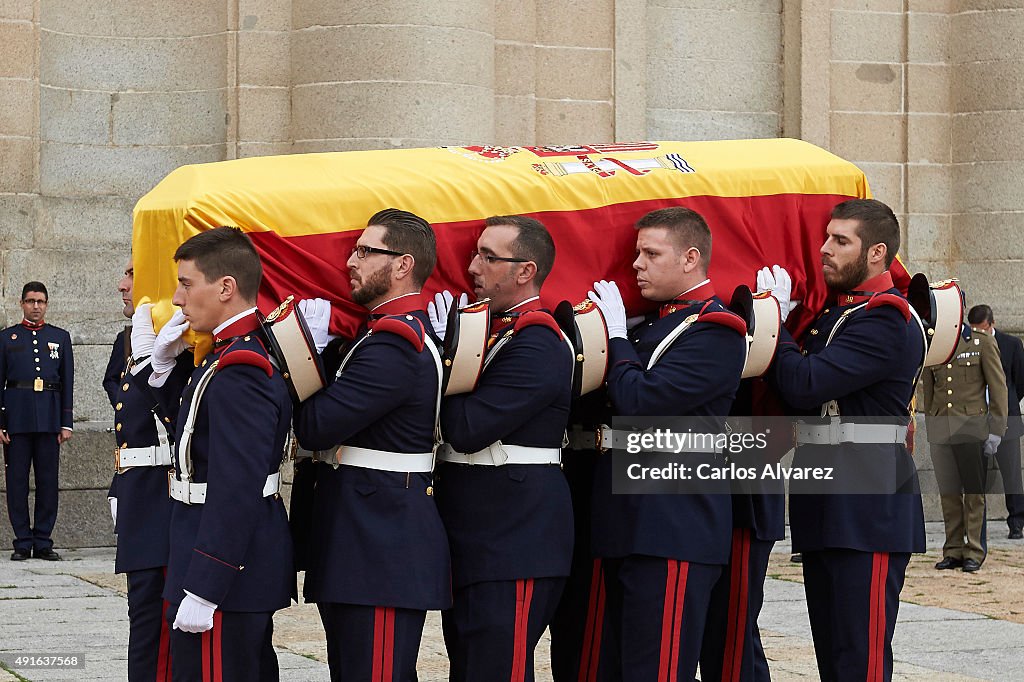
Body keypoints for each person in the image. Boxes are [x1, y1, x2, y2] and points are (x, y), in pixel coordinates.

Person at [761, 198, 926, 681]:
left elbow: (803, 384)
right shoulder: (837, 316)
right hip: (828, 499)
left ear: (876, 253)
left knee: (860, 659)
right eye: (826, 237)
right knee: (834, 657)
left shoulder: (885, 319)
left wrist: (775, 322)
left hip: (868, 504)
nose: (824, 250)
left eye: (840, 241)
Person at [586, 207, 747, 680]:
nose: (637, 264)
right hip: (629, 521)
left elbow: (640, 400)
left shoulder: (716, 330)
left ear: (690, 258)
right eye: (636, 253)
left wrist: (614, 336)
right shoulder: (658, 324)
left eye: (651, 253)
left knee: (657, 670)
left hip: (674, 526)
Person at [292, 209, 451, 682]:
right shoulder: (376, 336)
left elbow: (316, 427)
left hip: (380, 544)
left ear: (403, 265)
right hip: (361, 536)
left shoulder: (395, 345)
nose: (349, 261)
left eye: (365, 250)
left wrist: (307, 353)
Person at [137, 227, 294, 681]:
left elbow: (236, 487)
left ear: (226, 287)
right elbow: (194, 434)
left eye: (186, 284)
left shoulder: (242, 369)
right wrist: (161, 369)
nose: (178, 299)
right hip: (209, 553)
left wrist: (207, 586)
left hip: (227, 572)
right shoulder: (224, 357)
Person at [431, 215, 574, 681]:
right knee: (470, 667)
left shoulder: (540, 342)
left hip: (516, 535)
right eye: (475, 253)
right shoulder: (495, 330)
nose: (472, 266)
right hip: (472, 530)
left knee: (498, 670)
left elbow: (467, 428)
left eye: (488, 257)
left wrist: (444, 352)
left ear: (525, 270)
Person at [103, 258, 190, 681]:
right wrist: (119, 482)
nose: (122, 285)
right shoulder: (126, 342)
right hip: (140, 493)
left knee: (156, 627)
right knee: (143, 620)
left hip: (164, 496)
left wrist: (155, 364)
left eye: (133, 275)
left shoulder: (183, 345)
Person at [923, 311, 1007, 571]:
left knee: (973, 493)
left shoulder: (981, 342)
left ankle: (974, 550)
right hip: (942, 428)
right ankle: (953, 549)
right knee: (949, 494)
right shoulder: (935, 344)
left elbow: (998, 387)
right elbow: (929, 388)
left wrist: (996, 429)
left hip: (971, 427)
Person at [1, 281, 73, 562]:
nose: (35, 306)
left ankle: (42, 540)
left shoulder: (60, 337)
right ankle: (21, 541)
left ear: (46, 304)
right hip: (16, 421)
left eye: (40, 301)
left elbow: (67, 381)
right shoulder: (7, 339)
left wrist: (66, 423)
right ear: (21, 303)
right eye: (30, 301)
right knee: (17, 482)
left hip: (49, 419)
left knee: (47, 482)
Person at [968, 304, 1024, 539]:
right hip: (977, 420)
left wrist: (1006, 407)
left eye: (981, 329)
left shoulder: (1011, 344)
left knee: (1012, 475)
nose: (977, 334)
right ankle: (975, 527)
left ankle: (1017, 521)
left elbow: (1020, 381)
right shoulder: (967, 344)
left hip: (1006, 419)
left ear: (991, 324)